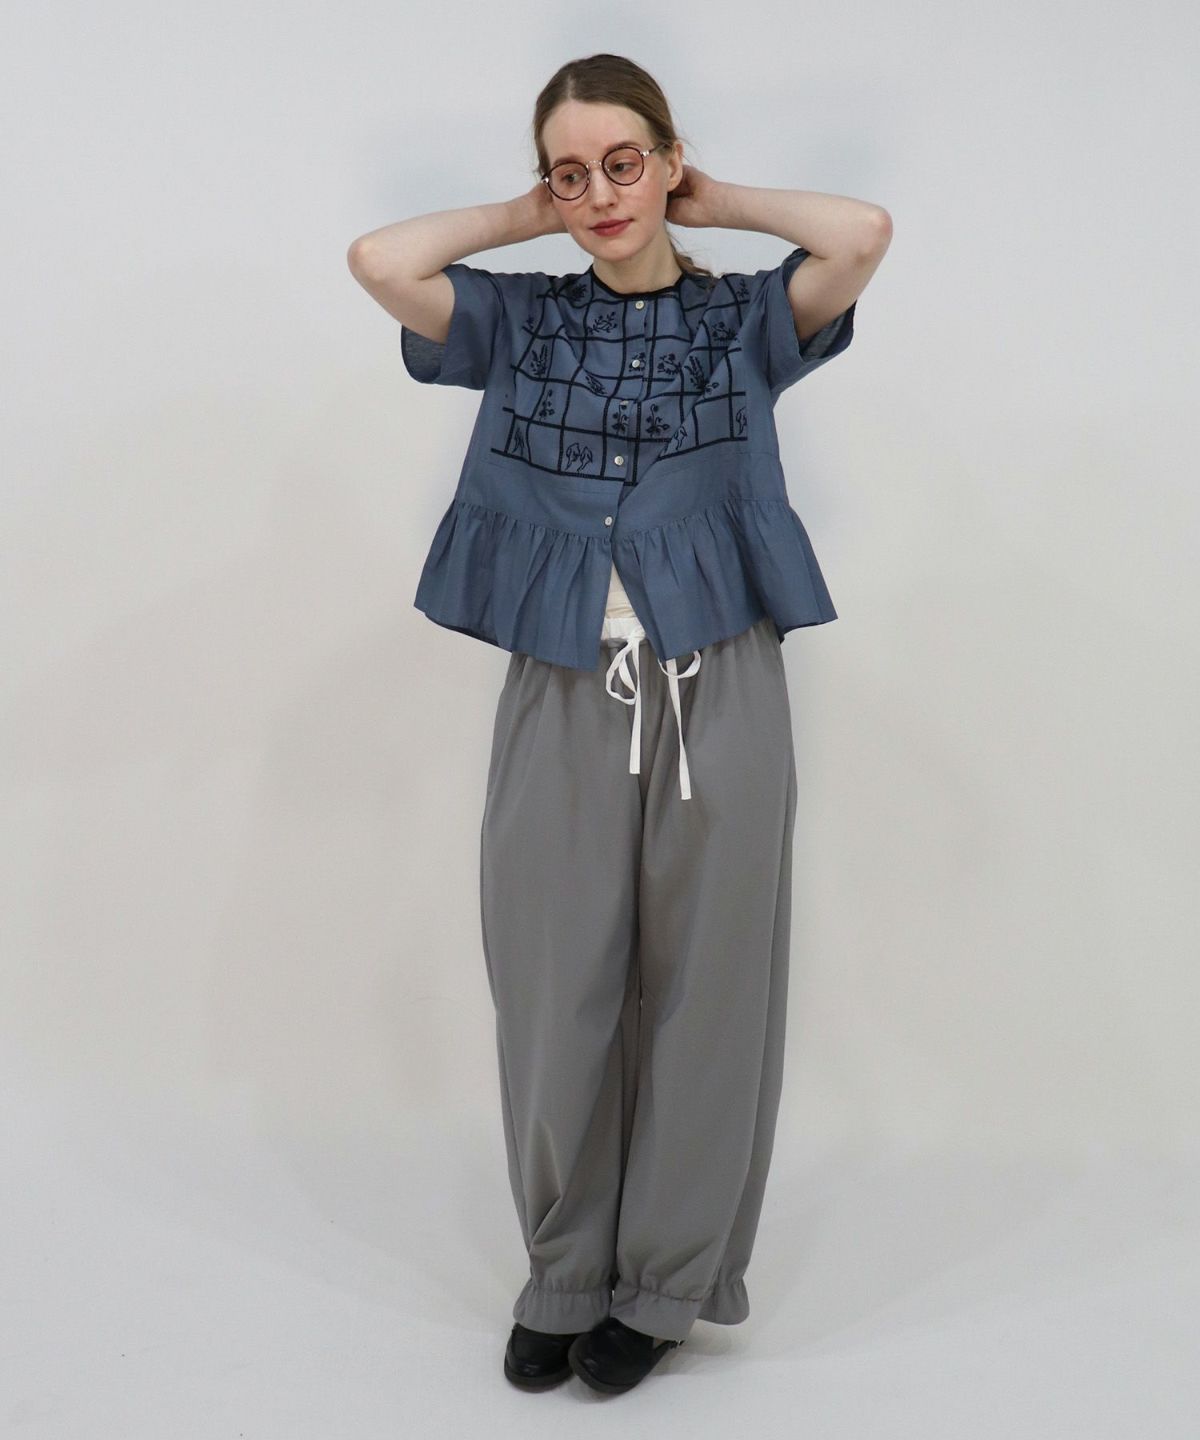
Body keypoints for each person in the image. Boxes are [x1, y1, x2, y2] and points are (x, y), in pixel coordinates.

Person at [348, 52, 890, 1395]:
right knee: (555, 985)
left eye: (623, 163)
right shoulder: (518, 323)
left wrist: (716, 200)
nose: (600, 193)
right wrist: (522, 218)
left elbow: (861, 234)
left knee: (713, 989)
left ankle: (659, 1289)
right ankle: (564, 1273)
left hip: (725, 684)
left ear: (668, 159)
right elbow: (379, 260)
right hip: (561, 683)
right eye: (572, 172)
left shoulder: (746, 322)